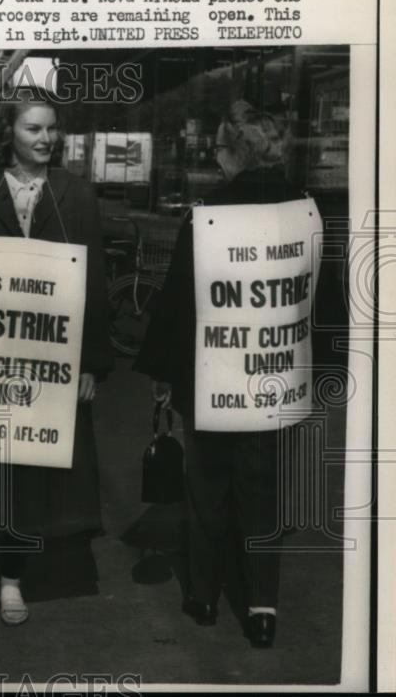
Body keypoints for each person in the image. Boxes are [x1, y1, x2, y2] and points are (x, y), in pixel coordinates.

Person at [0, 85, 112, 650]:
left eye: (52, 129)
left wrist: (91, 365)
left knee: (31, 481)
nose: (47, 139)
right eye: (34, 129)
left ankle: (12, 583)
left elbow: (96, 286)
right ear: (8, 133)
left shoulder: (76, 195)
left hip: (50, 366)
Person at [135, 100, 308, 649]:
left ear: (236, 152)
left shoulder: (206, 212)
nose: (212, 154)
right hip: (272, 376)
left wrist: (163, 376)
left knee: (206, 491)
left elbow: (179, 303)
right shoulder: (302, 212)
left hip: (209, 379)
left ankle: (205, 597)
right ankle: (261, 609)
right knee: (260, 493)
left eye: (217, 146)